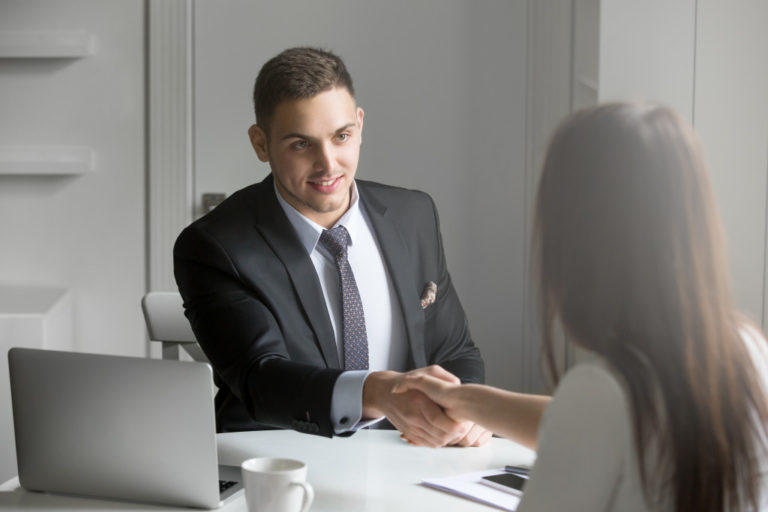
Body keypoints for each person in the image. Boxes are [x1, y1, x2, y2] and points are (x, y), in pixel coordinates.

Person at [394, 103, 768, 510]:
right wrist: (469, 401)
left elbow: (593, 417)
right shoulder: (747, 348)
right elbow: (587, 423)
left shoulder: (603, 392)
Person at [173, 47, 490, 447]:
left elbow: (455, 350)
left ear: (359, 125)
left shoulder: (414, 215)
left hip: (407, 457)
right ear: (260, 144)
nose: (329, 164)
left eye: (341, 137)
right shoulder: (214, 246)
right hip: (279, 463)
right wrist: (377, 392)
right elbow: (261, 378)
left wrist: (467, 407)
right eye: (301, 145)